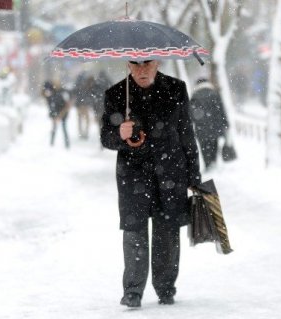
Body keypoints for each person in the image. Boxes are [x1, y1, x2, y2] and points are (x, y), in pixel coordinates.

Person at [100, 60, 201, 308]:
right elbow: (105, 137)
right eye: (135, 64)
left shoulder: (176, 89)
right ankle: (133, 291)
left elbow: (187, 133)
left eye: (147, 64)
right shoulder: (116, 94)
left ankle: (165, 288)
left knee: (167, 231)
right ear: (127, 63)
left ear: (158, 62)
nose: (141, 70)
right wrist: (119, 135)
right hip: (132, 174)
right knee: (134, 231)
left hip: (171, 172)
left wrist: (194, 177)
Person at [189, 78, 229, 171]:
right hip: (216, 128)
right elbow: (222, 111)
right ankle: (213, 163)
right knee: (214, 146)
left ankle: (208, 165)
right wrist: (226, 124)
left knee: (205, 148)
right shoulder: (215, 94)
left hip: (201, 129)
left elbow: (191, 114)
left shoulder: (195, 95)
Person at [42, 79, 71, 148]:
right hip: (55, 113)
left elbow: (67, 106)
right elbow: (51, 107)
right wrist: (54, 116)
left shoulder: (61, 93)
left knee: (64, 128)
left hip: (63, 114)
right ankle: (51, 144)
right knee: (54, 128)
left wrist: (60, 116)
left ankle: (67, 144)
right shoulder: (50, 95)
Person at [74, 74, 95, 139]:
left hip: (79, 105)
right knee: (86, 120)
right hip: (84, 105)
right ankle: (85, 132)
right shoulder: (86, 85)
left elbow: (75, 95)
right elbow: (88, 95)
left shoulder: (77, 85)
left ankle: (81, 132)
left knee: (80, 119)